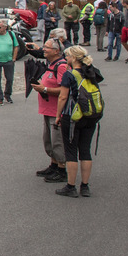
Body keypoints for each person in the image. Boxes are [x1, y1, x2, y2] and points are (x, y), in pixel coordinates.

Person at [53, 46, 102, 197]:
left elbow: (63, 97)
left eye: (67, 56)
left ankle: (71, 186)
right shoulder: (91, 71)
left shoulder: (70, 75)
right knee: (85, 150)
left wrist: (58, 115)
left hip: (73, 116)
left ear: (73, 58)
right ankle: (85, 186)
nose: (65, 58)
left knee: (71, 151)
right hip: (91, 116)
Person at [30, 38, 69, 183]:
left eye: (46, 48)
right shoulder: (51, 64)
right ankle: (53, 165)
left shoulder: (62, 66)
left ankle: (61, 169)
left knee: (58, 141)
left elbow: (64, 89)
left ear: (56, 51)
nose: (43, 49)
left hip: (57, 111)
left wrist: (44, 89)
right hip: (47, 109)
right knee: (49, 140)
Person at [0, 19, 20, 106]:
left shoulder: (11, 34)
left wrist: (14, 58)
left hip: (8, 60)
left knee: (9, 79)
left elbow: (16, 46)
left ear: (5, 27)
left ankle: (7, 94)